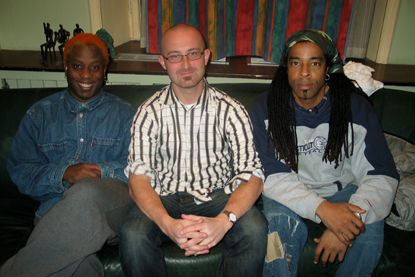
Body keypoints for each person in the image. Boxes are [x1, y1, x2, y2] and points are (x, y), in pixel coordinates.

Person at [119, 23, 267, 277]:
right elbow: (138, 178)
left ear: (206, 56)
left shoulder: (231, 110)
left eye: (193, 53)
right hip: (164, 197)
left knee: (254, 228)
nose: (185, 64)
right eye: (175, 56)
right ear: (162, 62)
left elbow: (252, 174)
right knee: (132, 234)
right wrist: (168, 226)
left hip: (217, 197)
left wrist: (224, 222)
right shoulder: (148, 112)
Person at [251, 29, 399, 276]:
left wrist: (347, 225)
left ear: (328, 70)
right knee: (277, 229)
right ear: (286, 69)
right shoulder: (267, 107)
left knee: (371, 223)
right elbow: (271, 176)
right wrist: (322, 210)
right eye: (295, 63)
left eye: (315, 63)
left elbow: (381, 176)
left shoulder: (355, 108)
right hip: (289, 192)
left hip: (344, 191)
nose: (304, 72)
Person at [0, 33, 136, 276]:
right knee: (78, 266)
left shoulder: (126, 115)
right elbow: (21, 170)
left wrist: (97, 171)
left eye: (94, 67)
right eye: (77, 66)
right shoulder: (39, 115)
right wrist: (63, 173)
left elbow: (141, 167)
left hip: (111, 212)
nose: (86, 75)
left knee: (85, 190)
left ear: (104, 71)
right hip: (54, 214)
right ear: (65, 68)